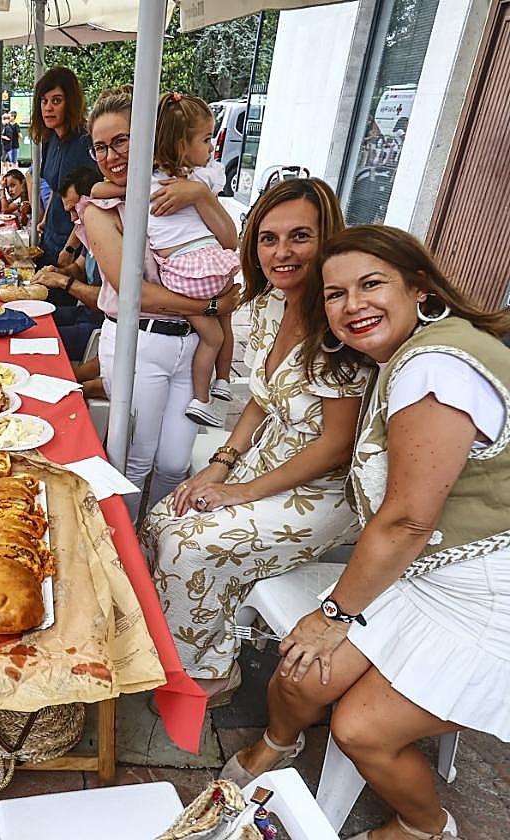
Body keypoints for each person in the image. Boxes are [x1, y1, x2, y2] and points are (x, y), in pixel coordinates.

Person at [221, 227, 510, 840]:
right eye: (335, 294)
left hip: (486, 595)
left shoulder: (435, 367)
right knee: (301, 674)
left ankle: (426, 826)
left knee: (359, 728)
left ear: (419, 286)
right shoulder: (406, 355)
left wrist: (331, 615)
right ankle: (278, 744)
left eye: (371, 284)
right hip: (421, 573)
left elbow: (408, 520)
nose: (352, 305)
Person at [140, 177, 369, 702]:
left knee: (188, 546)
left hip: (323, 488)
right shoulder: (268, 307)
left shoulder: (339, 324)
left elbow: (336, 446)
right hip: (266, 458)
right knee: (164, 516)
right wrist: (220, 464)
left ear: (327, 239)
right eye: (269, 238)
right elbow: (261, 400)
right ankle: (199, 640)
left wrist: (240, 492)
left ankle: (212, 669)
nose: (282, 252)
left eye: (300, 237)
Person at [37, 85, 242, 521]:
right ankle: (126, 548)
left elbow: (230, 242)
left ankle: (156, 537)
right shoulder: (100, 209)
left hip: (192, 346)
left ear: (151, 135)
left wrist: (202, 196)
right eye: (99, 148)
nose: (111, 156)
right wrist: (208, 307)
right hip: (139, 344)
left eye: (121, 141)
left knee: (173, 463)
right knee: (135, 461)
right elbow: (134, 294)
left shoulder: (181, 189)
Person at [140, 92, 240, 427]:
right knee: (221, 328)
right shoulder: (200, 180)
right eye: (207, 139)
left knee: (214, 334)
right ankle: (216, 386)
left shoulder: (144, 183)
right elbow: (230, 237)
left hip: (184, 275)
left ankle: (208, 394)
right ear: (183, 144)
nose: (211, 148)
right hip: (209, 268)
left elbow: (105, 190)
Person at [32, 66, 94, 297]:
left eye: (56, 100)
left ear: (71, 102)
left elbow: (89, 204)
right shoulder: (50, 140)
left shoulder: (84, 143)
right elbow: (58, 188)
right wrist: (45, 218)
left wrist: (71, 247)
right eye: (44, 101)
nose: (48, 107)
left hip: (70, 243)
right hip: (50, 237)